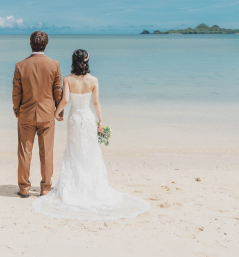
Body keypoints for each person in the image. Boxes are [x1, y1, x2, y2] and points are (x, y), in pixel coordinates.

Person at [32, 49, 150, 220]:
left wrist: (56, 113)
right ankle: (91, 187)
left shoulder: (68, 79)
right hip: (87, 118)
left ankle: (74, 187)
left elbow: (65, 101)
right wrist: (101, 121)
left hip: (74, 117)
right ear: (87, 61)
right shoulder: (94, 80)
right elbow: (96, 102)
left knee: (73, 152)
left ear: (73, 61)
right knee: (90, 152)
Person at [12, 31, 63, 198]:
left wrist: (16, 109)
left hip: (26, 115)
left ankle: (24, 188)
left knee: (24, 152)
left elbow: (16, 93)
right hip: (47, 114)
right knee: (46, 152)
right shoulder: (54, 65)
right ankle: (45, 188)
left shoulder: (20, 65)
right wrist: (59, 111)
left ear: (30, 43)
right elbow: (57, 91)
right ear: (46, 45)